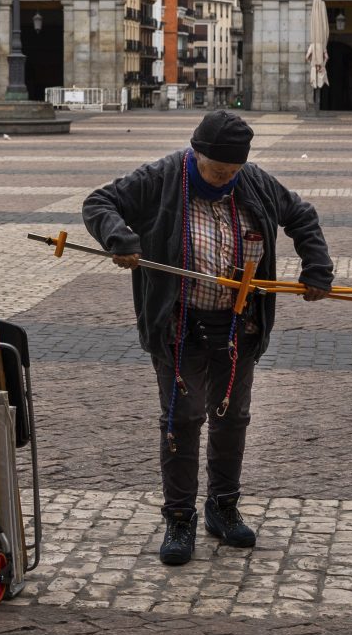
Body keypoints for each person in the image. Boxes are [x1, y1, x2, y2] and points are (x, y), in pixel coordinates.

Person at [82, 109, 333, 567]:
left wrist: (317, 268)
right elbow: (99, 203)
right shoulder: (161, 176)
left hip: (240, 326)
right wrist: (119, 238)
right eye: (216, 171)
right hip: (178, 325)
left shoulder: (253, 182)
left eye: (232, 172)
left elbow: (302, 215)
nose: (224, 180)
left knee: (232, 417)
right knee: (183, 418)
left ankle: (223, 507)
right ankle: (179, 518)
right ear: (196, 153)